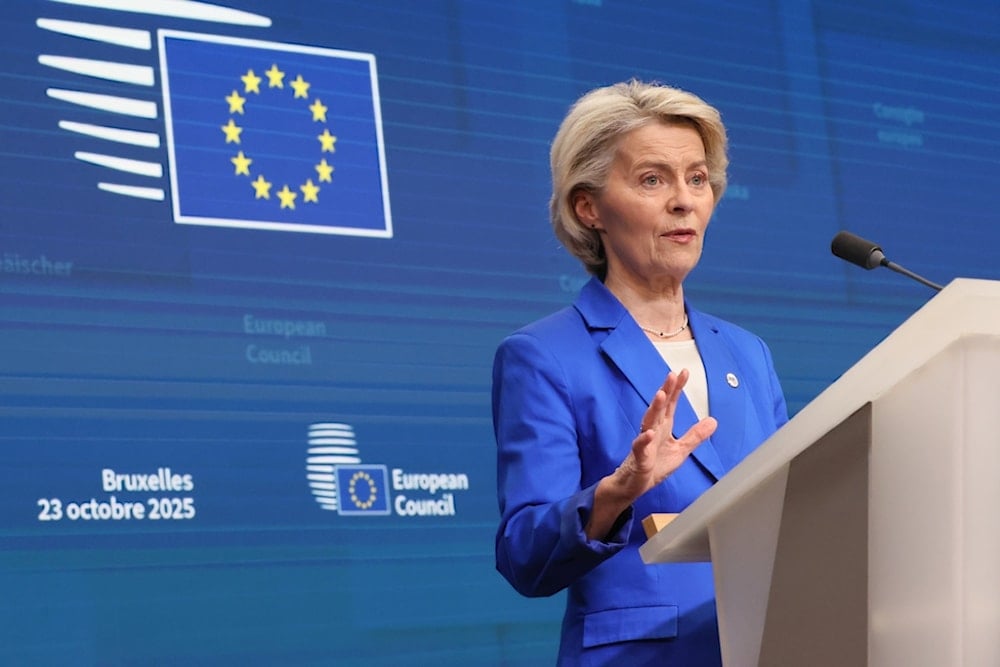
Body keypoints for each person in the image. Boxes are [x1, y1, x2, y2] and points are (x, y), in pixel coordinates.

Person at [492, 80, 789, 666]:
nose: (684, 200)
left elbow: (788, 512)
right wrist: (617, 492)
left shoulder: (748, 352)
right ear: (589, 207)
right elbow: (524, 554)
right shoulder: (543, 355)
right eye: (653, 179)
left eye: (697, 179)